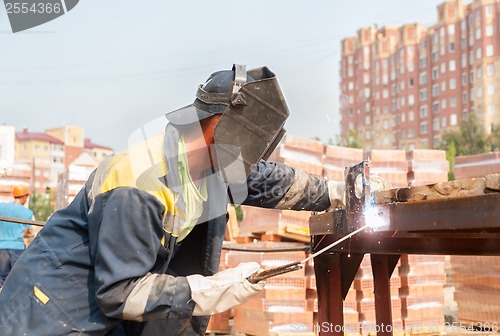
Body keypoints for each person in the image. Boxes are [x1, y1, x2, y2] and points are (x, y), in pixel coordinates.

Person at [0, 65, 347, 336]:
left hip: (98, 317)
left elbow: (266, 179)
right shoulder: (137, 181)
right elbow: (121, 291)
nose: (252, 159)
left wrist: (338, 192)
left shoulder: (211, 162)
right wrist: (210, 289)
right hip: (47, 314)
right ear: (222, 126)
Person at [0, 185, 33, 288]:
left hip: (1, 247)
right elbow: (24, 233)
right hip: (17, 248)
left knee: (1, 278)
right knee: (17, 278)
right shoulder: (27, 212)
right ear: (24, 197)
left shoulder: (1, 207)